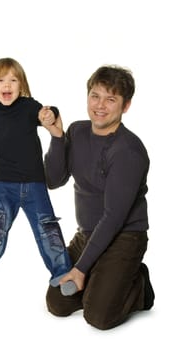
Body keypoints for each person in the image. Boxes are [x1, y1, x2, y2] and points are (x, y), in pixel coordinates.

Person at [41, 65, 155, 330]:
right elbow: (53, 180)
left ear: (125, 106)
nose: (100, 105)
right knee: (57, 303)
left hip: (125, 237)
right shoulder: (78, 131)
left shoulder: (128, 151)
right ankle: (104, 277)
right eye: (95, 95)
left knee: (98, 316)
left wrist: (80, 270)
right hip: (88, 234)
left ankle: (138, 284)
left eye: (111, 99)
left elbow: (114, 217)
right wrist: (57, 136)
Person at [0, 57, 76, 296]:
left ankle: (63, 273)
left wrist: (51, 114)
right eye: (1, 80)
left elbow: (47, 114)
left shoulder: (29, 107)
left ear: (22, 85)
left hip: (35, 184)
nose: (7, 85)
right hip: (4, 185)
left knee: (47, 229)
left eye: (13, 80)